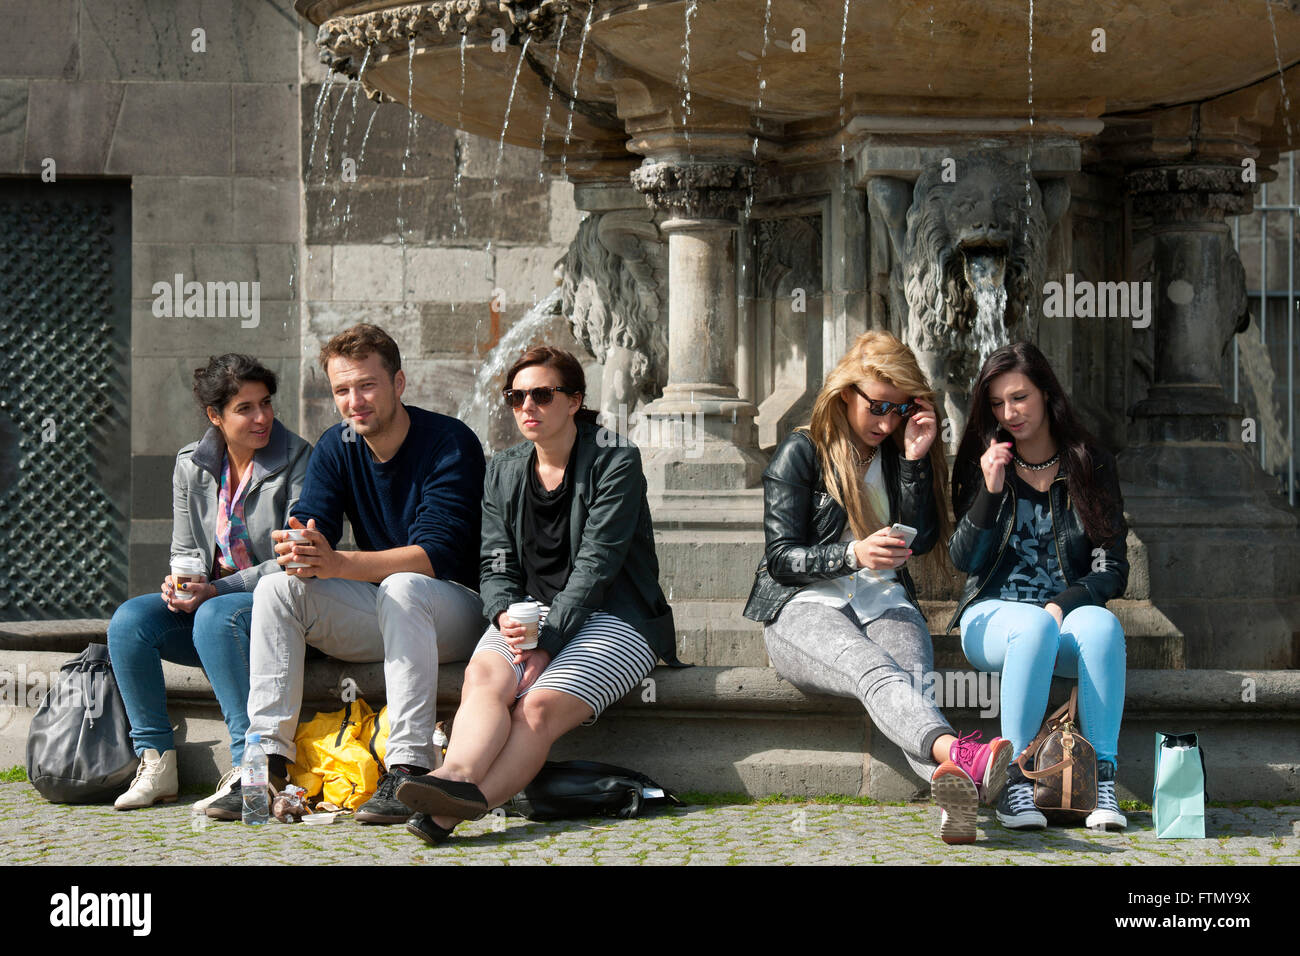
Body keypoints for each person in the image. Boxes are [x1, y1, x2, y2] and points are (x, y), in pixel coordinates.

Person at [394, 346, 679, 844]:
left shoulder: (615, 459)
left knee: (536, 708)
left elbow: (597, 565)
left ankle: (452, 812)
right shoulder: (504, 469)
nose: (528, 406)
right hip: (532, 611)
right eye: (516, 396)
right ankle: (453, 777)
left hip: (618, 616)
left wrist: (545, 644)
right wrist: (503, 611)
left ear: (574, 401)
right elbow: (494, 560)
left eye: (543, 395)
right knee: (485, 674)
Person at [204, 324, 486, 822]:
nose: (354, 401)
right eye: (341, 390)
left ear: (398, 384)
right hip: (390, 610)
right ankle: (265, 766)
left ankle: (408, 768)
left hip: (457, 609)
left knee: (403, 585)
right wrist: (300, 544)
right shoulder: (338, 445)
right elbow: (314, 521)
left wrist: (336, 563)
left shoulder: (450, 442)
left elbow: (434, 554)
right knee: (277, 588)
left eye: (367, 385)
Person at [742, 330, 1010, 845]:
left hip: (884, 598)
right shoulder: (801, 453)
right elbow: (780, 559)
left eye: (900, 408)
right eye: (878, 407)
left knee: (911, 681)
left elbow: (926, 539)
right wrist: (851, 553)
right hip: (802, 606)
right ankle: (962, 754)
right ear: (846, 393)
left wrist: (914, 458)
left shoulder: (896, 450)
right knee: (875, 668)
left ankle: (950, 781)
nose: (887, 422)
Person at [108, 354, 312, 810]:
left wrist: (216, 590)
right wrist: (181, 586)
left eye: (265, 403)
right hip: (213, 606)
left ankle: (252, 774)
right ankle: (156, 760)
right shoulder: (191, 464)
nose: (261, 417)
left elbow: (295, 560)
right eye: (245, 408)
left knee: (216, 615)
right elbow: (185, 549)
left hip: (279, 605)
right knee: (129, 621)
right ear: (214, 416)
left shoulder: (299, 459)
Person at [948, 341, 1129, 832]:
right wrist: (988, 491)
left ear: (1047, 394)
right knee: (1031, 627)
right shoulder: (981, 462)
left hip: (1059, 620)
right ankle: (1014, 781)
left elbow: (1111, 567)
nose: (1009, 413)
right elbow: (963, 559)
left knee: (1103, 626)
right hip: (989, 618)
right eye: (997, 404)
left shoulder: (1090, 465)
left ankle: (1100, 780)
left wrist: (1061, 604)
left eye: (1020, 398)